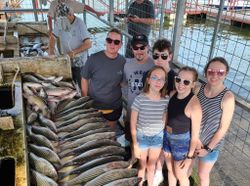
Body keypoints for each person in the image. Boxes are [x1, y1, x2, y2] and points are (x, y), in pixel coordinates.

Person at [195, 57, 235, 186]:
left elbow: (223, 128)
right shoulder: (198, 89)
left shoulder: (227, 98)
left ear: (226, 73)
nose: (215, 75)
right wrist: (195, 139)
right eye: (211, 71)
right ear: (206, 72)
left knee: (203, 175)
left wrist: (207, 148)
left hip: (210, 145)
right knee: (187, 168)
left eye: (220, 72)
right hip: (194, 139)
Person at [163, 66, 202, 186]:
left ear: (193, 84)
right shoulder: (173, 94)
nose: (180, 84)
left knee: (181, 175)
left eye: (186, 82)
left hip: (181, 143)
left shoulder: (194, 106)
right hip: (167, 137)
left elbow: (195, 135)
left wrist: (189, 157)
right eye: (178, 79)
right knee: (170, 170)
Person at [130, 66, 169, 186]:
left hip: (157, 137)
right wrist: (135, 144)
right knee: (142, 165)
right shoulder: (140, 99)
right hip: (142, 137)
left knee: (151, 166)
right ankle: (140, 183)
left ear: (165, 82)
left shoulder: (165, 99)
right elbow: (133, 123)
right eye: (154, 77)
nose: (158, 81)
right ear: (148, 80)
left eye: (162, 79)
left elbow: (165, 119)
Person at [81, 28, 125, 130]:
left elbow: (123, 82)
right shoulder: (93, 58)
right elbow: (84, 78)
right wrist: (84, 100)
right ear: (105, 41)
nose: (112, 44)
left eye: (116, 42)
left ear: (121, 45)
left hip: (114, 106)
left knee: (110, 134)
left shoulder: (123, 61)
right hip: (94, 106)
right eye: (109, 40)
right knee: (93, 135)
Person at [150, 38, 176, 185]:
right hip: (153, 117)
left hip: (167, 119)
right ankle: (156, 170)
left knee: (162, 147)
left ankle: (159, 172)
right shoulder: (151, 74)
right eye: (156, 56)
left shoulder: (174, 78)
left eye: (164, 56)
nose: (159, 59)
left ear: (170, 56)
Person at [48, 3, 92, 89]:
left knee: (81, 83)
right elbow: (53, 37)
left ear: (71, 14)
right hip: (66, 59)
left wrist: (74, 52)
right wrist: (51, 51)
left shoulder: (80, 23)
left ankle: (85, 97)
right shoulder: (59, 21)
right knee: (69, 83)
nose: (63, 23)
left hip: (80, 61)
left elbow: (88, 43)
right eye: (61, 20)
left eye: (65, 20)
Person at [123, 33, 154, 144]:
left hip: (147, 116)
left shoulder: (154, 65)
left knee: (144, 145)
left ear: (148, 47)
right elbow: (124, 83)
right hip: (131, 112)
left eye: (142, 47)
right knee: (130, 141)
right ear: (132, 48)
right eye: (136, 48)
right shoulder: (127, 65)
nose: (139, 51)